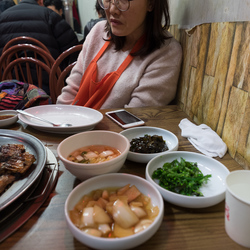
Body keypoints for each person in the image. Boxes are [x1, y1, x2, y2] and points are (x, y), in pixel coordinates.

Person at [57, 0, 182, 109]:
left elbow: (134, 118)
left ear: (151, 3)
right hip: (72, 126)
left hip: (113, 135)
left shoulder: (165, 52)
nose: (112, 10)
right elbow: (70, 93)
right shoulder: (98, 31)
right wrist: (59, 123)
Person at [0, 0, 79, 94]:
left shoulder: (2, 18)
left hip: (13, 90)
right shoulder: (50, 16)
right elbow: (72, 50)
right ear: (41, 1)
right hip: (49, 89)